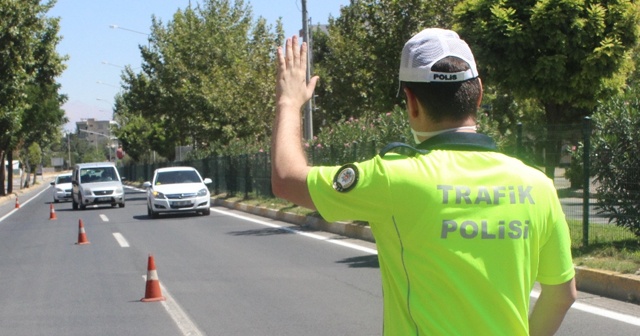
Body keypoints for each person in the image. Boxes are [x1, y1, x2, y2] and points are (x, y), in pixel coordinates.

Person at [272, 29, 576, 335]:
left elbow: (286, 178)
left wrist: (289, 101)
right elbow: (563, 294)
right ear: (479, 94)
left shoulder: (394, 178)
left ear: (411, 102)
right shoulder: (538, 186)